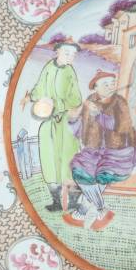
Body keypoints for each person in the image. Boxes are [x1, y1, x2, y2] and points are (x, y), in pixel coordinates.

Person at [64, 70, 136, 232]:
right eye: (105, 84)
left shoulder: (120, 102)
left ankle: (84, 210)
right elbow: (80, 130)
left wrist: (99, 115)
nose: (110, 87)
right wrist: (75, 116)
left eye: (112, 83)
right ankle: (100, 210)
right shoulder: (91, 101)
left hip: (119, 151)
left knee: (103, 175)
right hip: (94, 151)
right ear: (95, 87)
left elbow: (121, 129)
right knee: (79, 169)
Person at [22, 40, 82, 212]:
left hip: (65, 122)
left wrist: (58, 104)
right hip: (48, 122)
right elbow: (40, 88)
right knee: (49, 161)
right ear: (57, 52)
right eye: (67, 53)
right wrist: (30, 97)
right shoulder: (48, 67)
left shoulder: (70, 72)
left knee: (68, 160)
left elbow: (76, 98)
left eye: (73, 55)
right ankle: (56, 201)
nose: (70, 57)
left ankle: (73, 201)